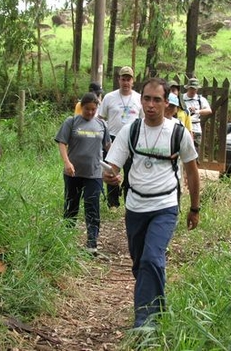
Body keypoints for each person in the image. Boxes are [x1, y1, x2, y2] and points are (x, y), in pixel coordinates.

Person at [103, 78, 200, 329]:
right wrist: (110, 174)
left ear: (166, 102)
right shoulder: (130, 131)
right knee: (141, 264)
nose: (151, 105)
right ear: (140, 100)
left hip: (165, 206)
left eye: (157, 99)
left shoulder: (178, 132)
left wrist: (194, 208)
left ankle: (145, 322)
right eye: (146, 98)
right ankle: (158, 305)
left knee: (151, 258)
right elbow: (113, 163)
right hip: (135, 207)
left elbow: (192, 172)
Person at [56, 93, 111, 255]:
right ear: (82, 107)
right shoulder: (71, 122)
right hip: (73, 173)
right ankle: (65, 240)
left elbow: (108, 146)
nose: (90, 113)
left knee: (92, 207)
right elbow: (62, 143)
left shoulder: (102, 124)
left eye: (94, 109)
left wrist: (116, 165)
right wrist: (67, 163)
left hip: (94, 174)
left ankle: (92, 243)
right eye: (87, 109)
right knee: (71, 206)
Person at [98, 66, 142, 208]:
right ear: (119, 80)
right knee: (111, 171)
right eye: (123, 79)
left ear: (132, 81)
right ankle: (112, 203)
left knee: (131, 172)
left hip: (132, 139)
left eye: (128, 79)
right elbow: (100, 118)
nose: (126, 82)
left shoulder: (139, 98)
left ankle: (129, 202)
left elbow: (143, 120)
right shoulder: (109, 97)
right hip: (112, 138)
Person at [182, 78, 212, 154]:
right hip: (183, 126)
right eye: (191, 88)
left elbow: (209, 110)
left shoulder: (200, 99)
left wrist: (197, 111)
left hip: (196, 128)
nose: (193, 91)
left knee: (195, 151)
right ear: (188, 88)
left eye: (195, 89)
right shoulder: (181, 98)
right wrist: (187, 111)